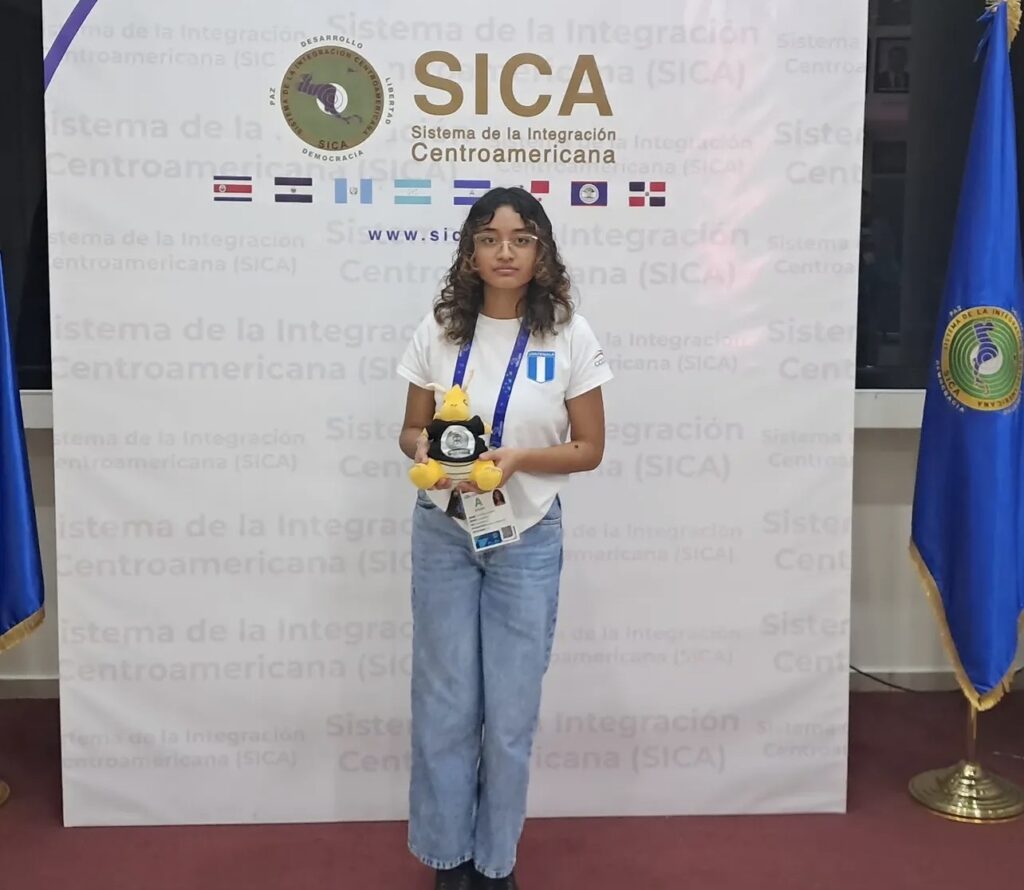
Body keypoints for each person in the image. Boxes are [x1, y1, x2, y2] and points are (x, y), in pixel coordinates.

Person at [396, 186, 612, 889]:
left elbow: (588, 449)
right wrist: (430, 453)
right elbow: (410, 430)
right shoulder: (440, 330)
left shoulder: (569, 334)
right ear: (470, 253)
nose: (505, 252)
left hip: (527, 536)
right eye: (489, 238)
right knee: (445, 704)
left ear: (542, 252)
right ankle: (447, 857)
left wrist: (518, 459)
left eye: (521, 239)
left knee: (511, 713)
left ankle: (495, 862)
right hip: (444, 529)